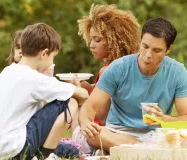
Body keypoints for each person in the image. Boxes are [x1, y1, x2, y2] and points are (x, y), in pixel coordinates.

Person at [79, 17, 187, 153]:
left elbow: (185, 117)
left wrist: (165, 120)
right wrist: (85, 123)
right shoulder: (118, 68)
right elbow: (90, 106)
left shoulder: (177, 72)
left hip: (156, 136)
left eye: (156, 50)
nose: (148, 55)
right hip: (117, 133)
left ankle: (129, 151)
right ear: (140, 42)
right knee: (95, 135)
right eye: (145, 46)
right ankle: (144, 150)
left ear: (168, 50)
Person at [0, 23, 89, 160]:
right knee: (70, 102)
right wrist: (76, 89)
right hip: (18, 148)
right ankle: (43, 156)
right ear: (44, 53)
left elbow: (41, 109)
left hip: (1, 150)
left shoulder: (7, 72)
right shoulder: (33, 79)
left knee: (70, 150)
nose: (51, 62)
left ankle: (44, 152)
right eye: (52, 57)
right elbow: (83, 94)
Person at [72, 4, 140, 154]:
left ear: (113, 40)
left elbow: (101, 117)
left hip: (97, 133)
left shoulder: (107, 70)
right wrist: (89, 89)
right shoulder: (131, 66)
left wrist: (79, 96)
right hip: (126, 133)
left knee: (69, 103)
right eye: (90, 40)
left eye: (97, 40)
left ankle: (75, 146)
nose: (91, 45)